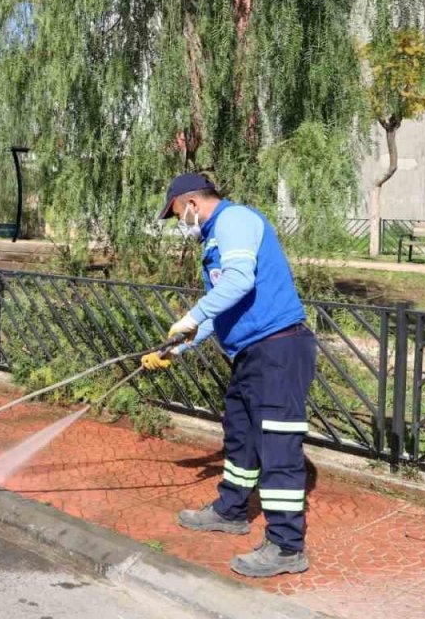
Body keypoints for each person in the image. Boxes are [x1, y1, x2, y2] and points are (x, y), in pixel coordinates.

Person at [142, 173, 316, 578]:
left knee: (278, 447)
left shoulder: (235, 220)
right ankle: (231, 509)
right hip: (252, 353)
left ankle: (287, 546)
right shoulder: (216, 236)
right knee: (241, 436)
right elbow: (221, 308)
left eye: (176, 215)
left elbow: (240, 281)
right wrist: (176, 346)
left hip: (278, 348)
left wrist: (191, 314)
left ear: (191, 203)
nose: (179, 224)